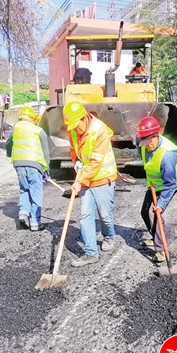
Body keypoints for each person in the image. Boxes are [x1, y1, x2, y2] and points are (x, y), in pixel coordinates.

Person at [63, 101, 118, 267]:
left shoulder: (99, 129)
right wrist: (76, 161)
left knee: (105, 214)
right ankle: (91, 253)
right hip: (86, 179)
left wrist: (79, 181)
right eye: (71, 127)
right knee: (85, 216)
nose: (74, 130)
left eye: (76, 126)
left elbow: (95, 162)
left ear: (84, 118)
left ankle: (109, 236)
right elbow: (73, 149)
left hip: (103, 178)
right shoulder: (73, 131)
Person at [136, 116, 177, 263]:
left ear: (157, 135)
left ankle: (161, 250)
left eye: (150, 142)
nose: (147, 146)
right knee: (144, 212)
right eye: (144, 142)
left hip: (168, 186)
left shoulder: (167, 155)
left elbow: (170, 184)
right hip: (154, 184)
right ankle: (155, 236)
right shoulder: (142, 142)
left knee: (154, 213)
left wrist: (160, 204)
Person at [6, 106, 50, 231]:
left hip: (18, 164)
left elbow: (8, 144)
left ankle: (23, 213)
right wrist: (47, 169)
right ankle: (35, 222)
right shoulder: (38, 130)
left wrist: (11, 154)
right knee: (36, 192)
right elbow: (46, 152)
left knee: (24, 189)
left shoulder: (16, 128)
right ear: (32, 118)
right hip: (35, 164)